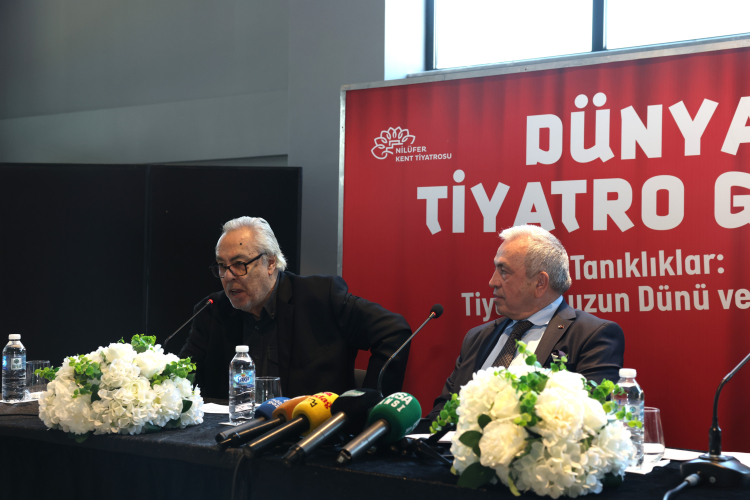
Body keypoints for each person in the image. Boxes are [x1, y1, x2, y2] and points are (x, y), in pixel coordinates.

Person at [179, 216, 412, 399]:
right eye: (222, 265)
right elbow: (181, 378)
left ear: (270, 263)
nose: (228, 276)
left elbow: (394, 330)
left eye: (239, 264)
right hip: (231, 436)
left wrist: (369, 405)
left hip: (312, 434)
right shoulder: (212, 311)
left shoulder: (320, 298)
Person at [429, 225, 624, 419]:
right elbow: (441, 413)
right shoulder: (477, 338)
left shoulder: (592, 336)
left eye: (504, 271)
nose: (492, 282)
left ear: (540, 283)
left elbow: (592, 418)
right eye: (495, 269)